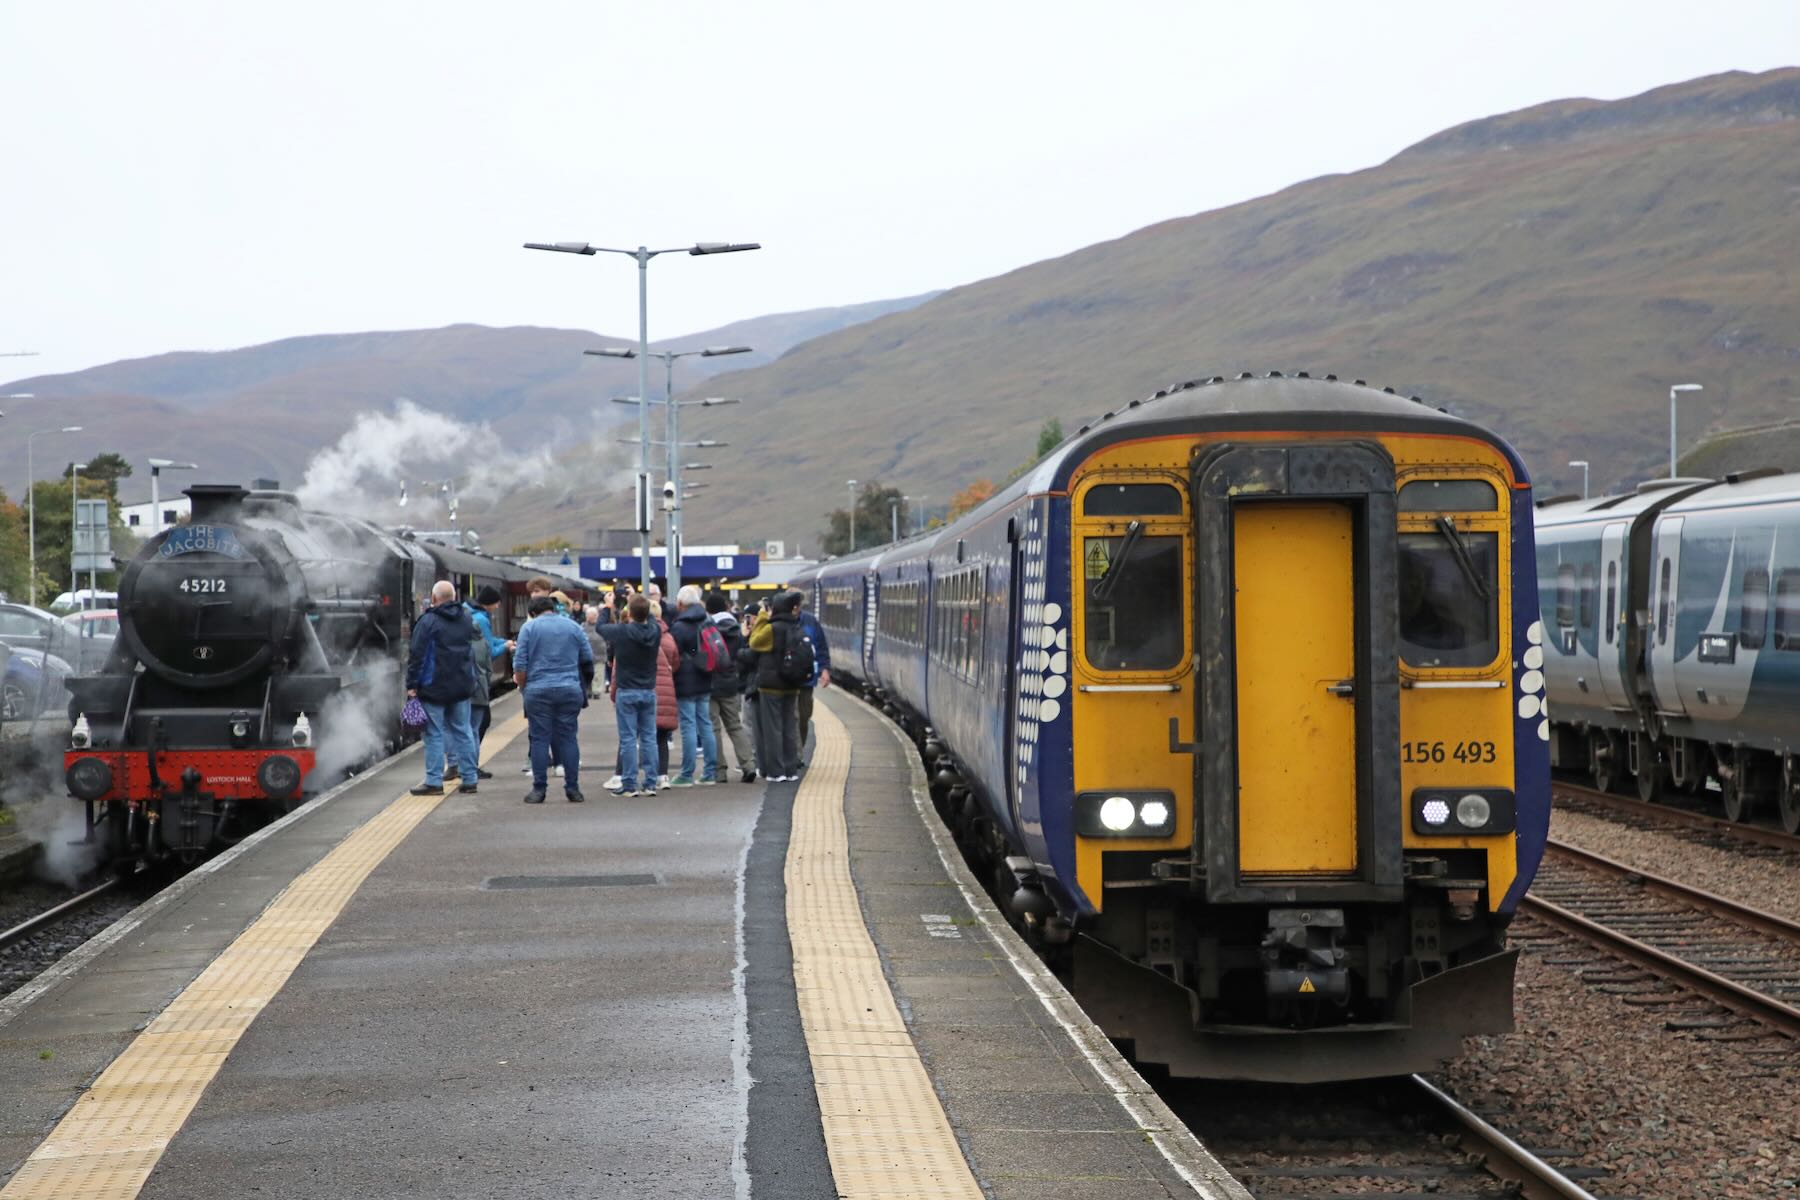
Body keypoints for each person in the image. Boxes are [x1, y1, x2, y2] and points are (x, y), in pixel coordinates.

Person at [513, 594, 594, 804]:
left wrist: (524, 687)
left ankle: (539, 790)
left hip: (538, 690)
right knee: (568, 738)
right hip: (569, 689)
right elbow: (587, 659)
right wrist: (582, 684)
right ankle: (573, 789)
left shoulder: (528, 629)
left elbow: (520, 665)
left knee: (540, 738)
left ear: (532, 613)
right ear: (554, 608)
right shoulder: (573, 627)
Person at [406, 580, 482, 796]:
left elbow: (417, 656)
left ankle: (433, 782)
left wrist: (412, 685)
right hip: (461, 685)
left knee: (434, 734)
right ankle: (470, 779)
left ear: (434, 597)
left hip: (434, 687)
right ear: (454, 596)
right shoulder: (467, 618)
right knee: (464, 731)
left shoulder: (428, 621)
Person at [596, 594, 664, 796]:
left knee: (628, 739)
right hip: (648, 691)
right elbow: (651, 618)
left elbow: (600, 627)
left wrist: (608, 606)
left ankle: (629, 784)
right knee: (649, 738)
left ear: (630, 613)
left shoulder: (621, 632)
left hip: (626, 691)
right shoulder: (655, 631)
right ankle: (651, 782)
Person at [449, 585, 513, 780]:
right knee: (476, 726)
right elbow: (489, 653)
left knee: (458, 725)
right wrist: (506, 646)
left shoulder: (465, 617)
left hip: (458, 680)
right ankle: (470, 768)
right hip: (476, 682)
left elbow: (488, 642)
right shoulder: (481, 620)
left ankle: (455, 764)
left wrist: (501, 641)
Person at [748, 591, 806, 782]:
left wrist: (763, 616)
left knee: (773, 729)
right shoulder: (796, 626)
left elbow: (754, 642)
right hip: (792, 685)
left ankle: (776, 771)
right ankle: (790, 770)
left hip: (771, 687)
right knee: (789, 728)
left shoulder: (772, 629)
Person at [668, 585, 721, 787]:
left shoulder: (679, 626)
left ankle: (687, 773)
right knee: (705, 724)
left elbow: (673, 654)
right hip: (705, 676)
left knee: (688, 726)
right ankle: (709, 772)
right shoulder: (708, 621)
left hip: (685, 680)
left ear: (680, 604)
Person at [705, 590, 756, 783]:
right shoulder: (737, 629)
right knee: (735, 725)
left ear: (708, 610)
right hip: (731, 683)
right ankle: (748, 765)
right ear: (727, 607)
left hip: (710, 683)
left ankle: (719, 771)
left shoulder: (707, 628)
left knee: (713, 728)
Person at [793, 591, 834, 756]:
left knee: (803, 717)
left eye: (798, 604)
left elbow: (821, 647)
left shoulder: (810, 622)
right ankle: (794, 755)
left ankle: (799, 749)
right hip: (785, 680)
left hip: (806, 679)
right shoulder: (778, 621)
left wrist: (824, 669)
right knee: (791, 718)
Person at [653, 605, 680, 788]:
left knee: (643, 736)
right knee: (662, 736)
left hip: (648, 689)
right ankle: (663, 776)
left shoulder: (641, 635)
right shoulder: (669, 638)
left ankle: (643, 775)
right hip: (667, 690)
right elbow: (676, 663)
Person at [582, 607, 607, 698]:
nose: (591, 617)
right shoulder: (583, 626)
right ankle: (588, 690)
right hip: (587, 654)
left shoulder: (601, 626)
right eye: (589, 615)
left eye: (594, 615)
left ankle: (596, 691)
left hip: (600, 654)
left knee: (598, 674)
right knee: (588, 673)